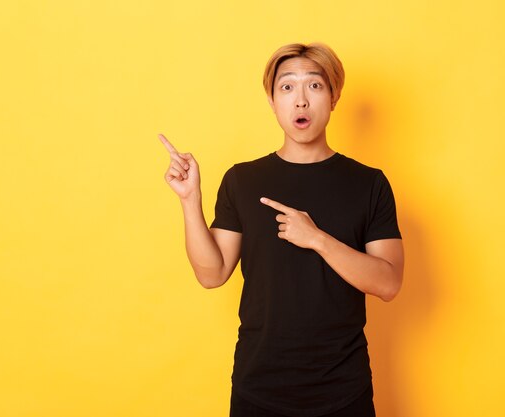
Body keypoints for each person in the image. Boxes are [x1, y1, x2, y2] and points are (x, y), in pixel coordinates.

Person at [158, 42, 404, 417]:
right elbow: (212, 274)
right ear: (272, 101)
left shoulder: (369, 184)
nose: (300, 100)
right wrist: (190, 200)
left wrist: (317, 238)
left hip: (343, 390)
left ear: (334, 97)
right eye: (287, 87)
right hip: (259, 389)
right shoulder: (243, 180)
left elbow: (388, 283)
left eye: (314, 86)